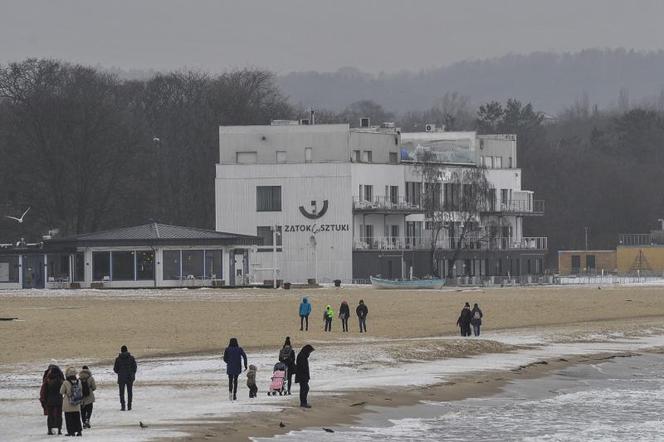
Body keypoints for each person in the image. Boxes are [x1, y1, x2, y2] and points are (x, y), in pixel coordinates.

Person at [40, 365, 64, 435]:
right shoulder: (61, 380)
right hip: (59, 400)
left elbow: (44, 391)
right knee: (59, 415)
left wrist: (43, 400)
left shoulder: (47, 381)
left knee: (50, 416)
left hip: (49, 400)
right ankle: (59, 430)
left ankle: (50, 430)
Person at [60, 367, 83, 437]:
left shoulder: (66, 382)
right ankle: (79, 431)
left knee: (69, 419)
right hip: (76, 402)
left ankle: (71, 432)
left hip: (68, 403)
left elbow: (61, 391)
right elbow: (81, 390)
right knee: (77, 418)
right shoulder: (79, 382)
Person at [113, 345, 137, 411]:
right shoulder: (131, 358)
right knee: (130, 392)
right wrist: (132, 373)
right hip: (129, 377)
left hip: (121, 378)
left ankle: (123, 406)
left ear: (121, 351)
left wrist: (120, 373)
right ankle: (129, 406)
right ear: (127, 350)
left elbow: (115, 369)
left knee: (121, 393)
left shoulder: (118, 359)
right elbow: (135, 368)